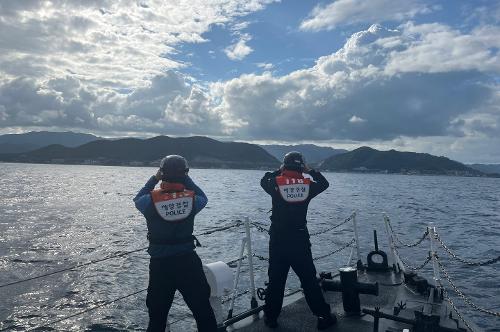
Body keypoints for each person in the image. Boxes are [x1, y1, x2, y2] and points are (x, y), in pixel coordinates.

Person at [133, 155, 217, 332]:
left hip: (160, 267)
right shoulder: (192, 200)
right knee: (203, 311)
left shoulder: (149, 202)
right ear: (185, 175)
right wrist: (185, 178)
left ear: (162, 174)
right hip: (188, 263)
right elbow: (203, 196)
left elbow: (137, 197)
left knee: (157, 317)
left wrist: (154, 178)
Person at [260, 151, 337, 330]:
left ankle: (271, 318)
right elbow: (325, 184)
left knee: (276, 281)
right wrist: (310, 171)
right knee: (309, 281)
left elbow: (263, 180)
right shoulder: (307, 185)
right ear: (302, 166)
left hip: (278, 240)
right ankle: (323, 316)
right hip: (299, 239)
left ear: (284, 165)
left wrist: (278, 172)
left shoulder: (274, 183)